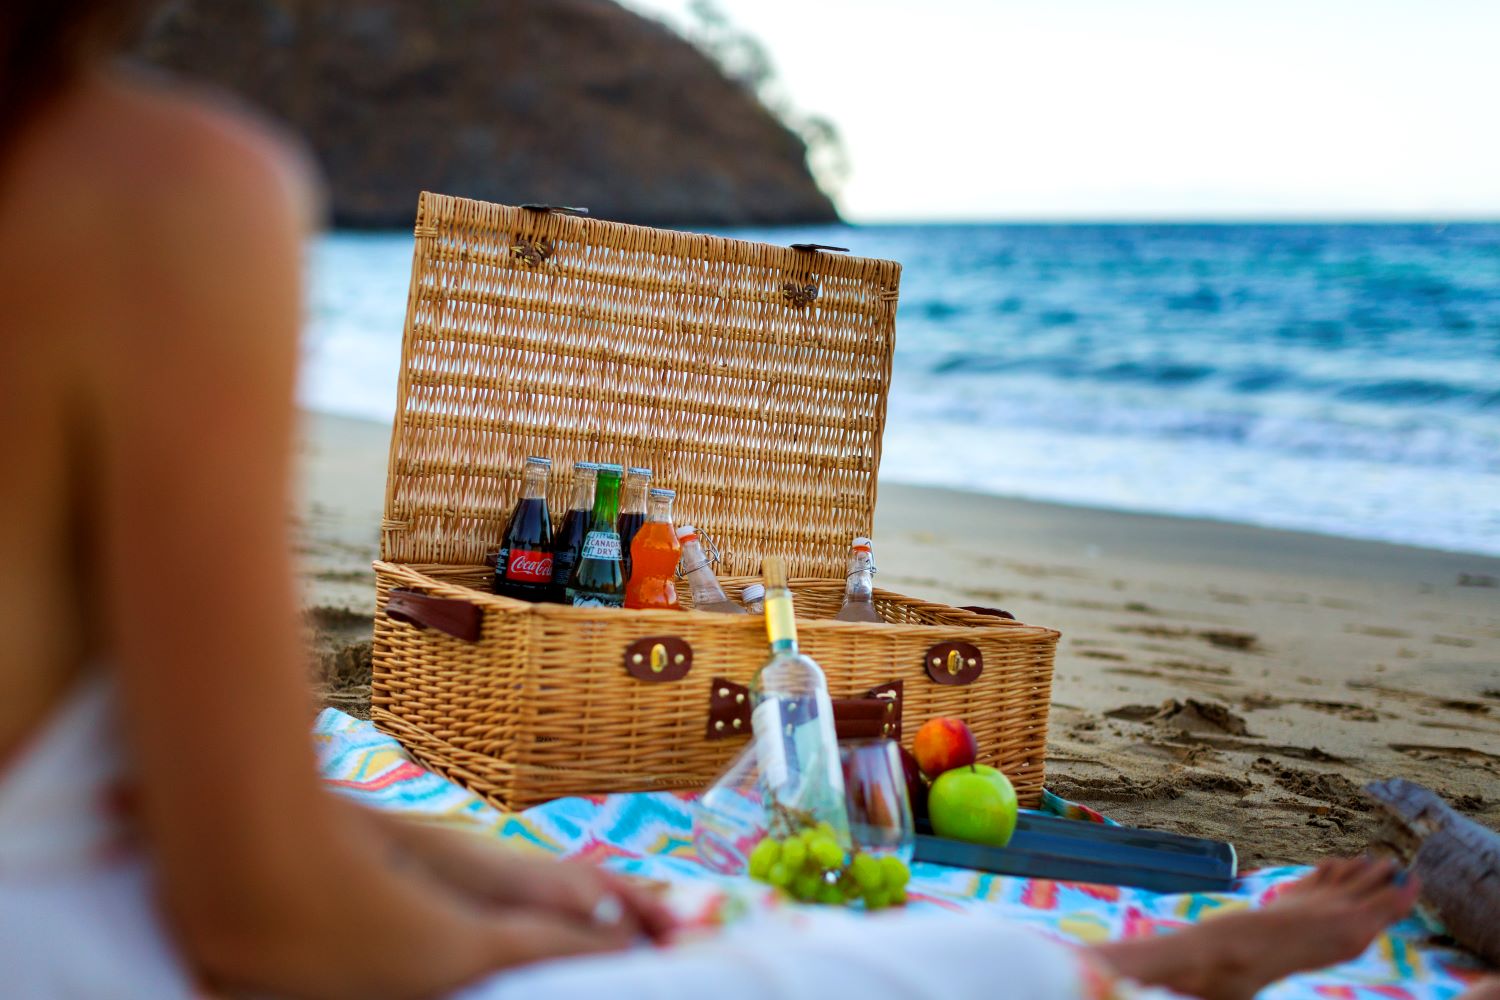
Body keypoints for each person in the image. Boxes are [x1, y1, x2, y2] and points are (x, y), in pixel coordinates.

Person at [2, 3, 1490, 999]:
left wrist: (462, 860)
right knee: (878, 966)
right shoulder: (151, 188)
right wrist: (498, 927)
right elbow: (258, 917)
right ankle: (1150, 969)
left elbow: (186, 777)